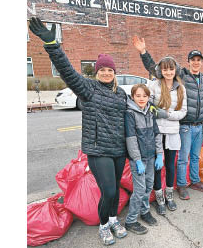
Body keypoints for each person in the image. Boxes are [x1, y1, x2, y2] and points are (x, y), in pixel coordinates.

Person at [28, 17, 128, 246]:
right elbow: (67, 71)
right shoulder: (88, 89)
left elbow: (130, 117)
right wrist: (52, 44)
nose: (105, 72)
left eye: (109, 69)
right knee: (109, 191)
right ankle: (104, 226)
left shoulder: (121, 93)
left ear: (114, 72)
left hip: (118, 149)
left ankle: (113, 219)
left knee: (115, 190)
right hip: (97, 150)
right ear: (96, 72)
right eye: (101, 69)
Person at [132, 36, 203, 200]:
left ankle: (195, 181)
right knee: (183, 158)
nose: (195, 63)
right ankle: (181, 185)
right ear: (188, 62)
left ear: (202, 62)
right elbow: (157, 69)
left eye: (198, 60)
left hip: (199, 125)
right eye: (192, 60)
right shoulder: (182, 75)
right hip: (185, 125)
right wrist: (143, 52)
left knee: (195, 157)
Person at [147, 56, 187, 215]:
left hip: (172, 132)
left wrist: (166, 114)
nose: (168, 72)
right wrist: (156, 112)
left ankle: (169, 194)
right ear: (160, 71)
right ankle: (159, 196)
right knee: (157, 166)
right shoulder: (154, 85)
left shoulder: (181, 88)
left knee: (170, 165)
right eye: (165, 69)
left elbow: (183, 112)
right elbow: (147, 104)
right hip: (156, 132)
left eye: (171, 69)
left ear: (175, 70)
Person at [124, 84, 164, 234]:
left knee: (148, 186)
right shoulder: (130, 113)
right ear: (133, 97)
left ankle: (144, 211)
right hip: (139, 160)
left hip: (151, 156)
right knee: (139, 190)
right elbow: (131, 138)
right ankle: (131, 220)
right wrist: (137, 159)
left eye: (144, 96)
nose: (141, 99)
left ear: (148, 97)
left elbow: (156, 133)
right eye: (138, 96)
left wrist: (159, 154)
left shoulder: (150, 112)